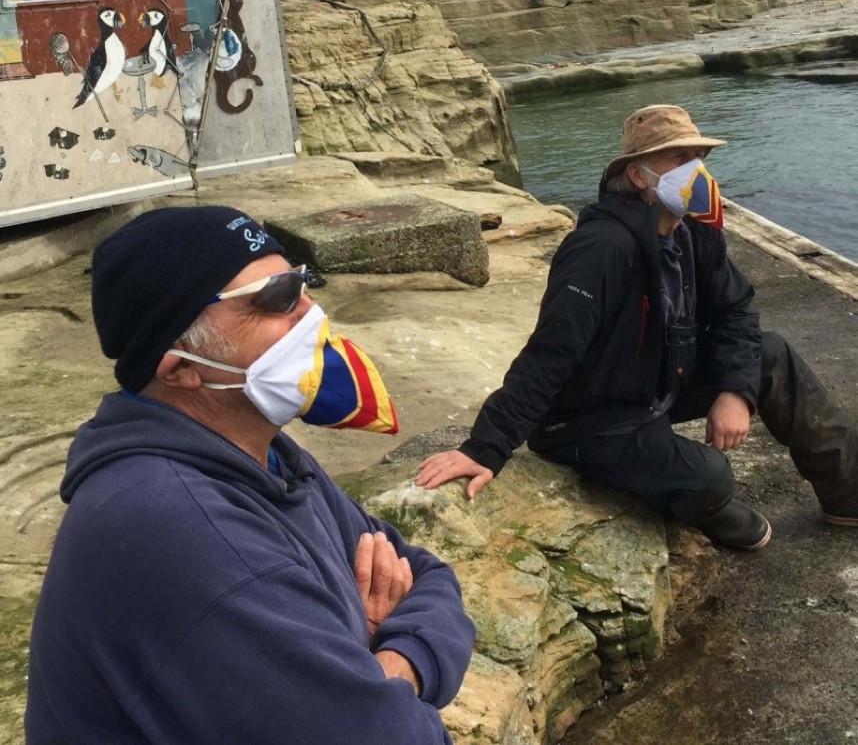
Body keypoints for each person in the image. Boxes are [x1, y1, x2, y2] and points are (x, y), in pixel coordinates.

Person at [25, 206, 475, 743]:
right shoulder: (174, 525)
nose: (312, 310)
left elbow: (428, 574)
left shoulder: (263, 456)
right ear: (183, 367)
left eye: (303, 281)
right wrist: (365, 663)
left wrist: (388, 664)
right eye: (277, 297)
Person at [416, 104, 858, 549]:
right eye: (679, 159)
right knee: (708, 475)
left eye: (699, 158)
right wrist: (484, 448)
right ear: (639, 176)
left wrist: (735, 391)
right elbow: (551, 354)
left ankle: (848, 496)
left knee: (771, 355)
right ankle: (712, 507)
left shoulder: (695, 232)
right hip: (590, 419)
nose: (696, 171)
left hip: (659, 383)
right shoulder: (600, 248)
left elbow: (735, 312)